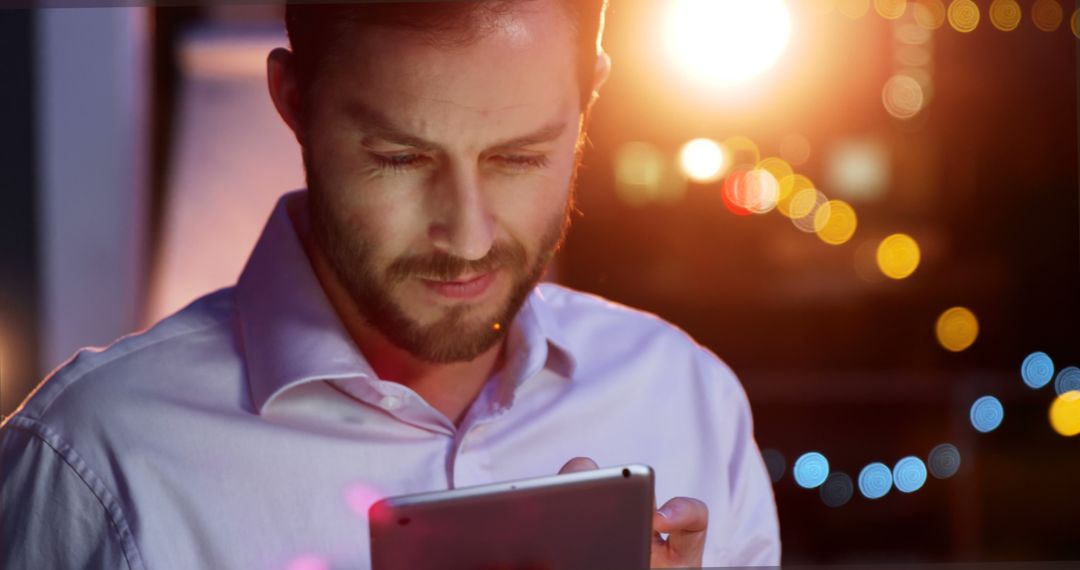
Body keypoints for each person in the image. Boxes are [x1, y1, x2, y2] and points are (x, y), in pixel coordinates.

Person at [0, 1, 780, 568]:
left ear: (590, 100)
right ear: (294, 103)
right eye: (400, 159)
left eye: (519, 158)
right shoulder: (94, 461)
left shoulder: (688, 399)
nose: (468, 237)